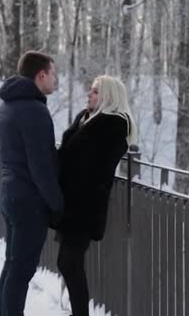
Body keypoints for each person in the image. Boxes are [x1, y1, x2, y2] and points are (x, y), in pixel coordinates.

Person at [55, 75, 138, 316]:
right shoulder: (86, 119)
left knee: (70, 263)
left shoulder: (113, 126)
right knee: (67, 263)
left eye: (94, 92)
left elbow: (93, 165)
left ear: (108, 97)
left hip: (85, 206)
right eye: (90, 91)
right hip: (72, 203)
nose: (88, 95)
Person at [0, 51, 64, 316]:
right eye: (53, 74)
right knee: (21, 272)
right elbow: (40, 165)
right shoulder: (34, 110)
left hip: (10, 195)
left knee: (12, 268)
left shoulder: (8, 105)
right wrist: (57, 204)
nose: (55, 80)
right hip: (29, 202)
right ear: (41, 75)